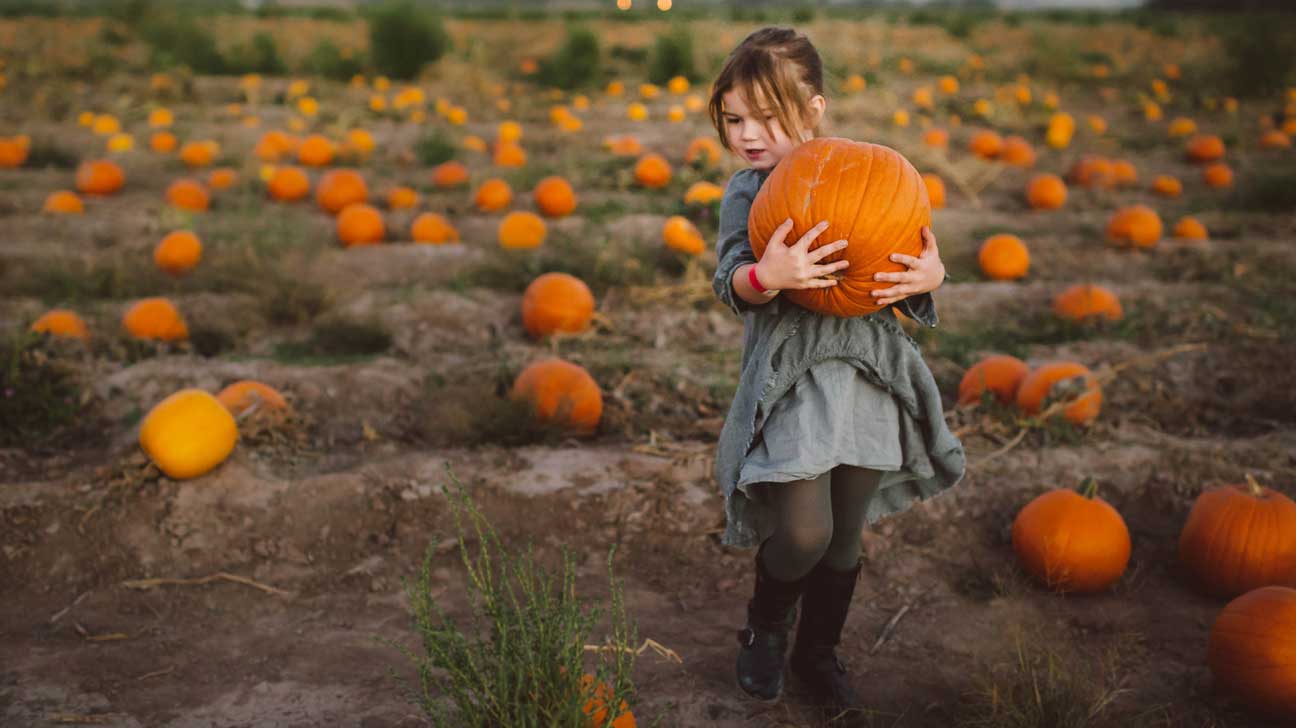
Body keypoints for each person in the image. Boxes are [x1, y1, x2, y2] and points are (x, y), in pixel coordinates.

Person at [707, 27, 967, 714]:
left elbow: (896, 272)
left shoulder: (870, 176)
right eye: (735, 119)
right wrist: (769, 274)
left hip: (868, 376)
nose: (748, 134)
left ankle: (818, 654)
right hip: (792, 381)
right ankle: (765, 626)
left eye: (766, 116)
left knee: (845, 534)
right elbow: (729, 280)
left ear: (814, 109)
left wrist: (929, 276)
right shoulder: (749, 192)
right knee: (803, 531)